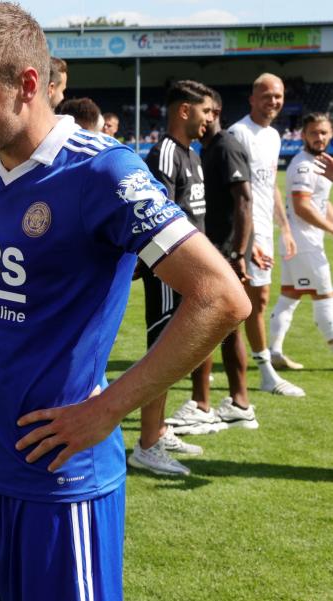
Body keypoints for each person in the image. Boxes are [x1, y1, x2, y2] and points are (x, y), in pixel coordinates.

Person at [0, 4, 250, 599]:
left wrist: (109, 410)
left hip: (59, 489)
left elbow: (221, 297)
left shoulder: (102, 173)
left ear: (28, 84)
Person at [130, 80, 230, 476]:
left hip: (192, 272)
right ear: (184, 110)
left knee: (173, 352)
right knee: (162, 351)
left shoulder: (191, 153)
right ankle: (147, 444)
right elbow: (162, 214)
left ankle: (159, 429)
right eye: (206, 111)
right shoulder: (167, 153)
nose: (211, 119)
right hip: (173, 269)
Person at [166, 89, 263, 436]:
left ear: (217, 112)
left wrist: (239, 251)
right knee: (225, 329)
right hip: (215, 248)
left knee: (205, 325)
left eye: (209, 112)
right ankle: (237, 403)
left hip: (221, 251)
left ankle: (203, 404)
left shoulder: (225, 146)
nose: (205, 119)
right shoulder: (206, 150)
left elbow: (245, 200)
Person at [228, 74, 304, 395]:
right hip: (244, 232)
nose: (273, 101)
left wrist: (284, 228)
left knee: (249, 300)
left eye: (279, 96)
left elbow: (270, 184)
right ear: (252, 98)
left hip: (263, 230)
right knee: (249, 301)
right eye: (267, 96)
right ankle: (265, 372)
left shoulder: (273, 136)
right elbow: (235, 194)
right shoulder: (238, 134)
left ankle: (225, 363)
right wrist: (247, 242)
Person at [268, 113, 333, 357]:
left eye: (324, 132)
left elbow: (320, 202)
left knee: (290, 295)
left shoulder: (319, 162)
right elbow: (302, 206)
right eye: (314, 133)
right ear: (303, 135)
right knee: (325, 295)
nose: (320, 137)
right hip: (304, 242)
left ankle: (274, 351)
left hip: (299, 241)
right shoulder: (304, 165)